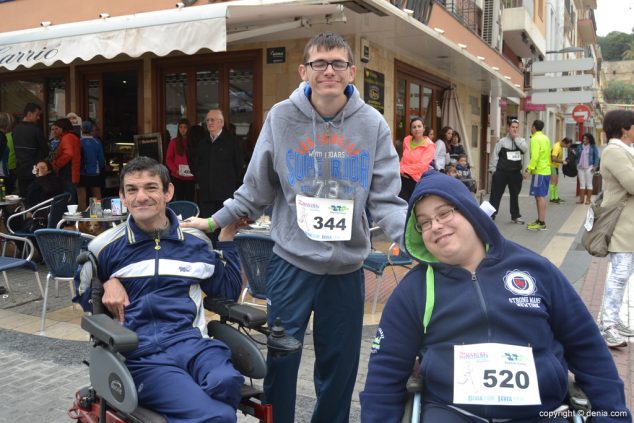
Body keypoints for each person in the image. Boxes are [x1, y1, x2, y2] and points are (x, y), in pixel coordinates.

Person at [182, 31, 407, 423]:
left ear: (352, 72)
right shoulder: (282, 118)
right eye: (319, 63)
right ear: (304, 70)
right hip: (291, 264)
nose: (329, 71)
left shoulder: (372, 125)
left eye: (338, 63)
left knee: (339, 370)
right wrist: (215, 220)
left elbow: (386, 198)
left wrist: (415, 240)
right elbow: (255, 188)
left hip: (346, 270)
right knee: (282, 360)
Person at [360, 170, 631, 422]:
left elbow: (587, 349)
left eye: (444, 213)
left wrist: (613, 415)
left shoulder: (535, 270)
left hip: (542, 411)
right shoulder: (414, 289)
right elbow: (385, 371)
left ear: (470, 212)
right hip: (452, 412)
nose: (435, 226)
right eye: (424, 223)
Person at [89, 156, 245, 422]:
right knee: (218, 416)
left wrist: (227, 238)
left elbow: (227, 290)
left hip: (193, 344)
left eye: (151, 187)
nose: (141, 197)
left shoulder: (195, 242)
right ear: (122, 197)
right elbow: (83, 296)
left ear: (168, 192)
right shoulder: (103, 247)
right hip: (144, 354)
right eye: (132, 190)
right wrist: (106, 282)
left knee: (227, 381)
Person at [596, 110, 634, 349]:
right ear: (624, 129)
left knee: (624, 273)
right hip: (621, 223)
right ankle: (607, 325)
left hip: (628, 222)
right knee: (619, 275)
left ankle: (613, 320)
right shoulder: (614, 152)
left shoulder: (625, 151)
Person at [191, 110, 243, 217]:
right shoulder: (202, 142)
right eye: (208, 120)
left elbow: (239, 166)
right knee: (209, 229)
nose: (209, 123)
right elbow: (196, 164)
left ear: (221, 123)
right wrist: (201, 179)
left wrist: (233, 185)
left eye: (212, 120)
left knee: (225, 227)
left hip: (226, 195)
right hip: (206, 195)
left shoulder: (232, 141)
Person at [488, 119, 528, 223]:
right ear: (508, 128)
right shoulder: (502, 141)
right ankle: (491, 214)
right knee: (496, 194)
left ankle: (515, 215)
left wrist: (516, 139)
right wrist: (493, 170)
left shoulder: (521, 141)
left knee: (514, 194)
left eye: (516, 127)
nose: (514, 129)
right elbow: (495, 155)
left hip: (515, 173)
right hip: (501, 172)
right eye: (512, 127)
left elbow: (525, 150)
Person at [13, 103, 48, 198]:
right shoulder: (36, 130)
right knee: (36, 199)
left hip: (20, 170)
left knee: (24, 198)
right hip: (35, 171)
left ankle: (26, 213)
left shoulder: (15, 129)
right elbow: (45, 150)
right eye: (37, 115)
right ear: (29, 114)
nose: (38, 118)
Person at [399, 116, 435, 201]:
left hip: (417, 181)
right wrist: (400, 170)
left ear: (423, 128)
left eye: (419, 126)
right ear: (411, 130)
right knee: (402, 206)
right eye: (414, 127)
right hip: (402, 177)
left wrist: (402, 169)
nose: (417, 129)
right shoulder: (406, 140)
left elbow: (421, 166)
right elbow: (404, 158)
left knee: (414, 206)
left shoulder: (430, 145)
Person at [526, 119, 551, 231]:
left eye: (532, 126)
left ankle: (541, 222)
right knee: (539, 196)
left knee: (540, 196)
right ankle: (540, 220)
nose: (531, 128)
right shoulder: (546, 138)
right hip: (546, 170)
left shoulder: (535, 139)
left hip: (539, 172)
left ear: (534, 127)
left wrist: (529, 169)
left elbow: (535, 156)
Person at [51, 118, 81, 204]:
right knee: (70, 196)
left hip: (67, 171)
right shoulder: (71, 136)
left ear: (62, 128)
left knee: (69, 198)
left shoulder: (67, 137)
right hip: (71, 171)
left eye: (57, 128)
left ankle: (70, 216)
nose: (55, 131)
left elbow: (68, 154)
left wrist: (57, 164)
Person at [77, 120, 105, 211]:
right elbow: (101, 159)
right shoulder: (97, 142)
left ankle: (82, 220)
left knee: (81, 197)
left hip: (80, 172)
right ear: (92, 129)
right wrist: (100, 168)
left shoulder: (78, 141)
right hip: (94, 172)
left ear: (82, 129)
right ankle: (96, 218)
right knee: (96, 196)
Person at [166, 118, 195, 201]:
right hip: (177, 176)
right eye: (180, 127)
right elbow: (168, 159)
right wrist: (176, 170)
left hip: (190, 177)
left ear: (188, 128)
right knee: (179, 199)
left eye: (185, 127)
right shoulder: (174, 142)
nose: (182, 130)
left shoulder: (193, 142)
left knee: (190, 199)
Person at [572, 133, 600, 205]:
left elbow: (596, 157)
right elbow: (577, 156)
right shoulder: (580, 146)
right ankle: (581, 200)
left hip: (589, 167)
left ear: (589, 140)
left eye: (586, 139)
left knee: (589, 184)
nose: (584, 140)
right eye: (583, 138)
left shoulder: (593, 147)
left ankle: (588, 200)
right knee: (582, 184)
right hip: (580, 167)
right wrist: (575, 154)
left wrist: (595, 166)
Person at [549, 137, 573, 204]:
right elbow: (553, 158)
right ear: (564, 142)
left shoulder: (560, 146)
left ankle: (556, 197)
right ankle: (552, 198)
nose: (566, 147)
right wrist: (562, 161)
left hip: (555, 166)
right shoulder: (557, 147)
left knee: (556, 182)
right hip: (552, 166)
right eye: (566, 145)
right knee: (553, 182)